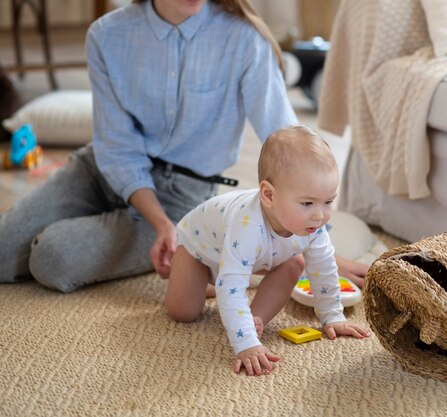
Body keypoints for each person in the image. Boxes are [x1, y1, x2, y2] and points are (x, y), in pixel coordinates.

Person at [0, 0, 367, 292]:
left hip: (182, 196)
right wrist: (159, 224)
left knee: (52, 258)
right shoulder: (107, 35)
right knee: (4, 250)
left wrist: (321, 249)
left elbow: (289, 144)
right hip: (103, 170)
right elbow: (117, 148)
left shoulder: (244, 40)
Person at [165, 125, 371, 376]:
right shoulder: (247, 226)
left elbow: (324, 269)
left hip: (254, 257)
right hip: (199, 248)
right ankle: (199, 277)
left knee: (296, 264)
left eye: (328, 202)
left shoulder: (314, 225)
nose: (319, 215)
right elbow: (232, 287)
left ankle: (255, 319)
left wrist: (333, 316)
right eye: (307, 203)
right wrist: (245, 346)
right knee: (183, 312)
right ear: (269, 195)